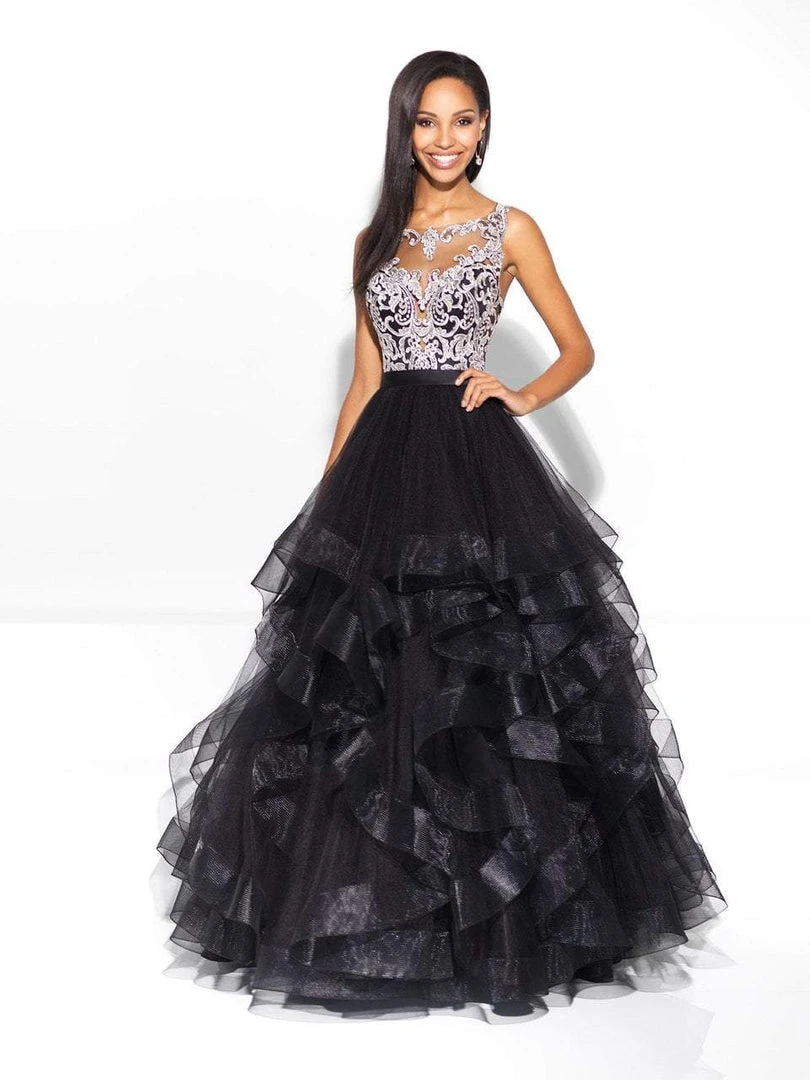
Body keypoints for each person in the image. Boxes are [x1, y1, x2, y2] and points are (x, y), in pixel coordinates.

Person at [154, 50, 728, 1024]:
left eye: (463, 120)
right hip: (384, 466)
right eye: (427, 121)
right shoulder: (374, 239)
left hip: (472, 464)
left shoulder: (510, 229)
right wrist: (328, 510)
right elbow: (365, 382)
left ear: (485, 126)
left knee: (482, 680)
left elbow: (578, 347)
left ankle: (503, 923)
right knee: (368, 686)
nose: (445, 139)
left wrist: (521, 394)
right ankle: (374, 909)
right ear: (405, 128)